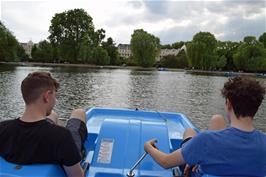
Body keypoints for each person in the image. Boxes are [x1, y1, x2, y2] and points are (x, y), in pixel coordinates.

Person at [144, 76, 266, 177]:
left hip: (198, 167)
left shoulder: (206, 140)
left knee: (189, 131)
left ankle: (192, 157)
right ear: (257, 106)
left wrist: (148, 147)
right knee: (217, 120)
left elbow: (166, 162)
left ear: (228, 104)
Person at [0, 72, 87, 177]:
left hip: (40, 138)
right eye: (55, 96)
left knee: (52, 115)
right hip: (58, 143)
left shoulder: (3, 127)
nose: (55, 100)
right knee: (78, 112)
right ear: (47, 96)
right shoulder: (62, 136)